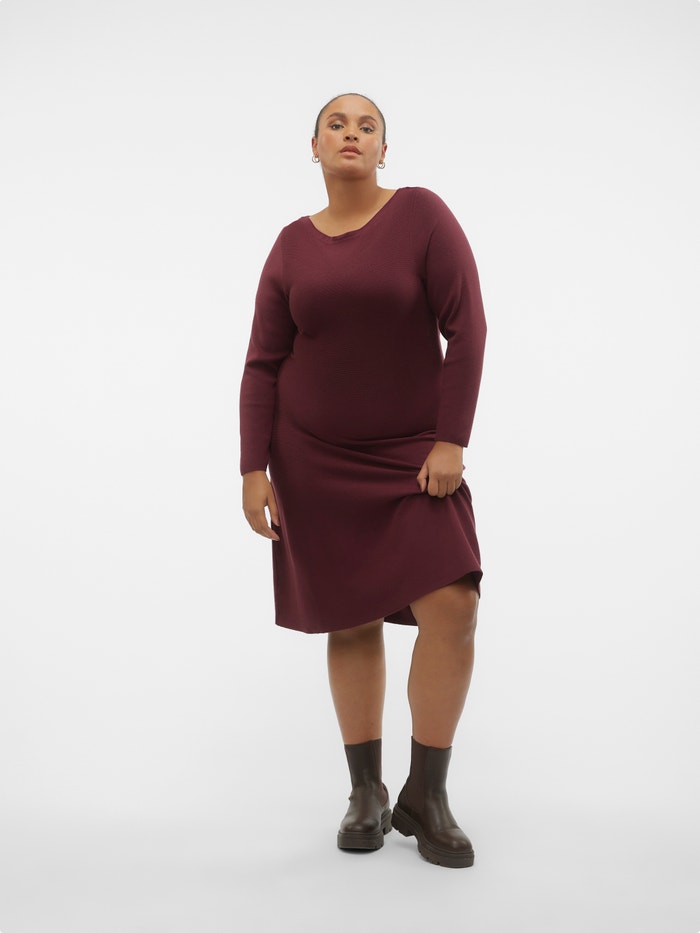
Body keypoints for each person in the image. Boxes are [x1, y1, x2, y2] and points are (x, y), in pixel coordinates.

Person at [239, 93, 487, 869]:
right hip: (312, 457)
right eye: (337, 124)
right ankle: (366, 792)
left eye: (367, 125)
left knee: (453, 602)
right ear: (313, 147)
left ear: (385, 148)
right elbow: (262, 363)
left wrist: (451, 440)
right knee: (350, 619)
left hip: (412, 455)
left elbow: (467, 327)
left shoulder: (421, 216)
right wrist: (252, 467)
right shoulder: (290, 246)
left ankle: (427, 794)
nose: (352, 133)